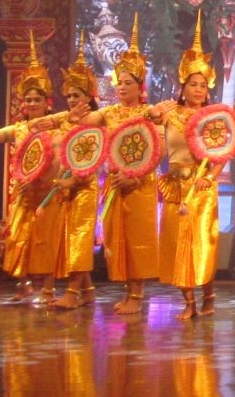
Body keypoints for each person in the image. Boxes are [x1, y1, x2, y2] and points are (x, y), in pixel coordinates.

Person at [51, 16, 160, 315]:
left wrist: (135, 177)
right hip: (113, 183)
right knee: (115, 238)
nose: (122, 87)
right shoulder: (110, 113)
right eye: (119, 82)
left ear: (140, 85)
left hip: (139, 183)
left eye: (128, 82)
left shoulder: (149, 113)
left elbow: (156, 149)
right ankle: (127, 290)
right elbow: (84, 122)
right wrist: (74, 115)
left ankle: (137, 294)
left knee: (137, 237)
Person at [0, 32, 61, 304]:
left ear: (47, 103)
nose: (32, 104)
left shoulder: (56, 126)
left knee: (45, 240)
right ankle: (24, 286)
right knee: (18, 238)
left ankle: (48, 288)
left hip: (47, 193)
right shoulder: (19, 129)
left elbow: (59, 159)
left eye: (37, 100)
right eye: (29, 100)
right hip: (23, 192)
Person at [156, 11, 226, 321]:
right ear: (182, 85)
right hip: (174, 185)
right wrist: (152, 117)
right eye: (192, 83)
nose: (197, 89)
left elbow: (223, 153)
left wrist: (209, 179)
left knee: (202, 242)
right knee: (177, 243)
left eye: (202, 84)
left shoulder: (212, 119)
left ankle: (208, 294)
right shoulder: (169, 114)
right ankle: (188, 302)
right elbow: (155, 145)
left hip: (202, 186)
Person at [50, 32, 101, 310]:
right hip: (66, 185)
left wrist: (75, 180)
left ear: (89, 97)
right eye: (68, 95)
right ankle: (89, 290)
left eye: (77, 95)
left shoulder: (94, 122)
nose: (71, 100)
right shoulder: (65, 120)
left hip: (85, 185)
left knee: (80, 237)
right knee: (70, 237)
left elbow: (93, 159)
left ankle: (72, 291)